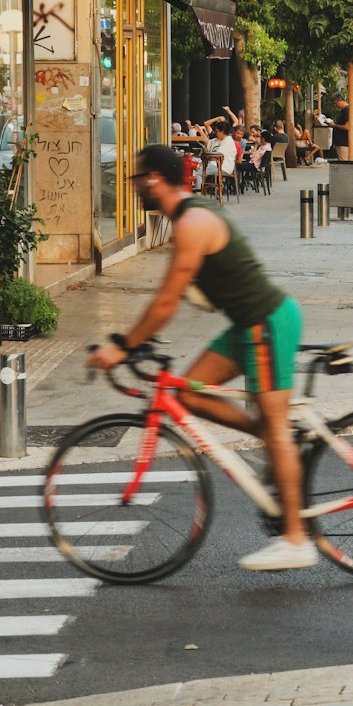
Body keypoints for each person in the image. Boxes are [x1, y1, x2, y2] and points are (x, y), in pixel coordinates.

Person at [89, 145, 316, 571]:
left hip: (266, 324)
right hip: (245, 326)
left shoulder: (192, 221)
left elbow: (165, 302)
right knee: (188, 394)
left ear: (156, 180)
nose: (135, 188)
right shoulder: (191, 213)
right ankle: (271, 434)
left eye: (138, 180)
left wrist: (124, 344)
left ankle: (296, 538)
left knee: (275, 427)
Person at [331, 94, 351, 161]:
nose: (335, 106)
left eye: (336, 103)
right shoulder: (344, 110)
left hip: (343, 142)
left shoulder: (347, 110)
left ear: (340, 100)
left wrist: (334, 125)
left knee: (344, 162)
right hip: (340, 141)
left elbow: (347, 127)